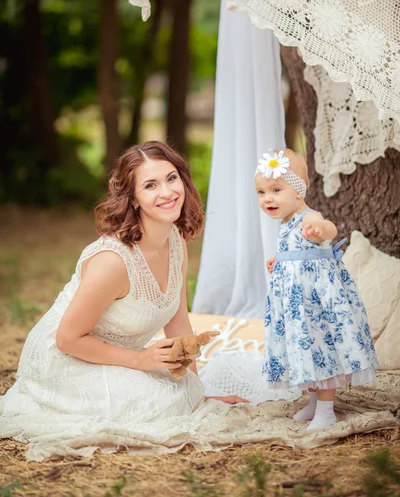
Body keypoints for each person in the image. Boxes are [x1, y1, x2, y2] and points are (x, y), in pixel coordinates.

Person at [0, 141, 249, 461]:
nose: (167, 192)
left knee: (178, 393)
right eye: (150, 185)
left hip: (119, 355)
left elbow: (178, 322)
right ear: (133, 198)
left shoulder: (175, 241)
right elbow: (67, 339)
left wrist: (196, 393)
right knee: (156, 403)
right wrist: (140, 361)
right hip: (65, 358)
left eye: (171, 178)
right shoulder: (113, 261)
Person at [255, 148, 379, 430]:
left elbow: (328, 228)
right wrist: (281, 260)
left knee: (320, 347)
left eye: (276, 189)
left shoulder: (309, 217)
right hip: (295, 305)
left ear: (298, 192)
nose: (267, 198)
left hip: (314, 303)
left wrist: (320, 231)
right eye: (261, 192)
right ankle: (313, 403)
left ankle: (326, 410)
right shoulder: (286, 222)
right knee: (304, 349)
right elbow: (298, 252)